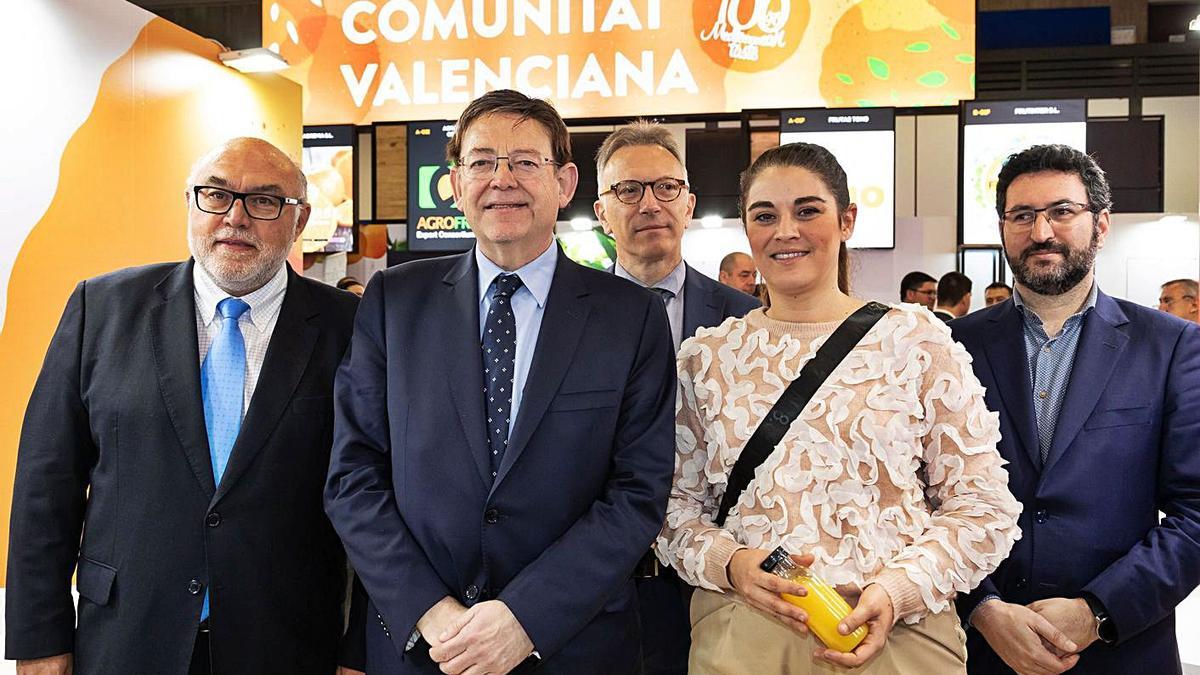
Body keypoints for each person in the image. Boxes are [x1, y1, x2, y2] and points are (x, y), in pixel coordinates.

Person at [324, 90, 677, 675]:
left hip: (571, 644)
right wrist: (430, 612)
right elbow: (352, 476)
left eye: (525, 162)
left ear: (564, 183)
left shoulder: (630, 317)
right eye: (483, 161)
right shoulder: (394, 302)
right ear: (457, 184)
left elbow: (638, 493)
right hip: (423, 647)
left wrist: (525, 617)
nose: (502, 179)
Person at [657, 142, 1021, 674]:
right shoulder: (707, 359)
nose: (786, 231)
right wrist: (732, 564)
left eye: (808, 210)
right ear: (747, 229)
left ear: (847, 219)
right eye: (765, 215)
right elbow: (670, 505)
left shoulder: (917, 342)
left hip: (901, 637)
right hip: (746, 637)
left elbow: (983, 506)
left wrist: (898, 590)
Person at [5, 138, 363, 675]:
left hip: (289, 644)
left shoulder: (351, 329)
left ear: (300, 218)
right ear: (191, 203)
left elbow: (379, 496)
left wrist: (358, 652)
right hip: (125, 637)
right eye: (215, 195)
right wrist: (37, 640)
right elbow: (45, 485)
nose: (235, 218)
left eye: (264, 201)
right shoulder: (100, 310)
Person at [952, 144, 1200, 675]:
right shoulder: (949, 347)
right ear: (1003, 228)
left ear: (1101, 224)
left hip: (1122, 649)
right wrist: (984, 608)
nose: (1041, 232)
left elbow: (1195, 513)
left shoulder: (1170, 346)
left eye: (1062, 212)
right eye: (1022, 216)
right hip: (981, 651)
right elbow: (919, 500)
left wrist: (1097, 611)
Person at [592, 119, 759, 675]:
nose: (649, 205)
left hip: (714, 577)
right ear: (601, 211)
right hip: (596, 580)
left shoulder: (744, 321)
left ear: (688, 204)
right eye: (628, 191)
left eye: (666, 188)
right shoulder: (567, 318)